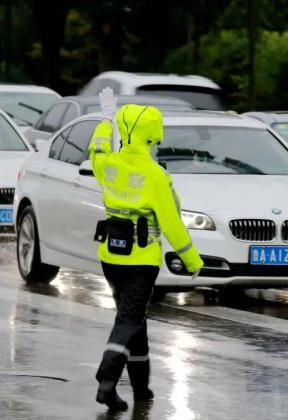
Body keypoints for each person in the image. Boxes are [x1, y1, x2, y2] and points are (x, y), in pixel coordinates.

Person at [88, 88, 204, 411]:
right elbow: (173, 224)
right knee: (128, 321)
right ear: (151, 137)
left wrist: (105, 120)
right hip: (141, 262)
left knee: (136, 322)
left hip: (111, 257)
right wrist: (192, 261)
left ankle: (142, 388)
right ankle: (106, 381)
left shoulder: (108, 164)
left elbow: (95, 150)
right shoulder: (155, 176)